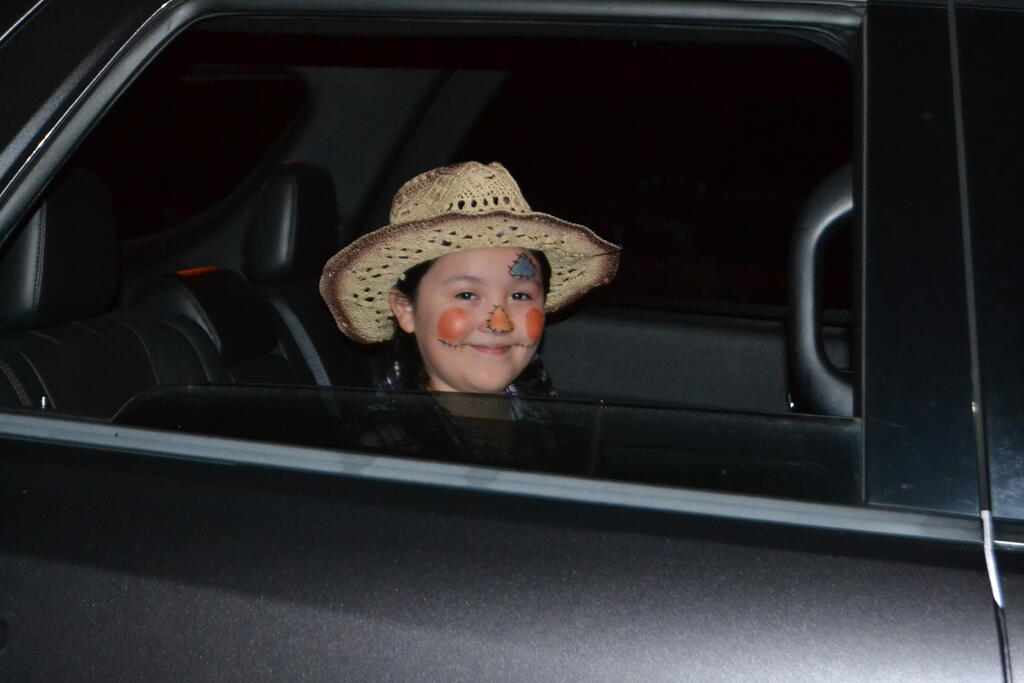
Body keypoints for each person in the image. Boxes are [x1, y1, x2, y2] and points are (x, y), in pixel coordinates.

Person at [319, 161, 619, 469]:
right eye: (467, 295)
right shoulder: (382, 449)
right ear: (405, 309)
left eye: (520, 296)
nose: (499, 323)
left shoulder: (550, 419)